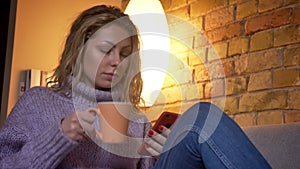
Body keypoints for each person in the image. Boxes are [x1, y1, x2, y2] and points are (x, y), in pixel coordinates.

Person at [0, 5, 271, 169]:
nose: (116, 62)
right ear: (79, 50)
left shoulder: (136, 118)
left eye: (125, 53)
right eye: (106, 50)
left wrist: (159, 154)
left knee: (201, 117)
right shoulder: (39, 102)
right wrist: (59, 136)